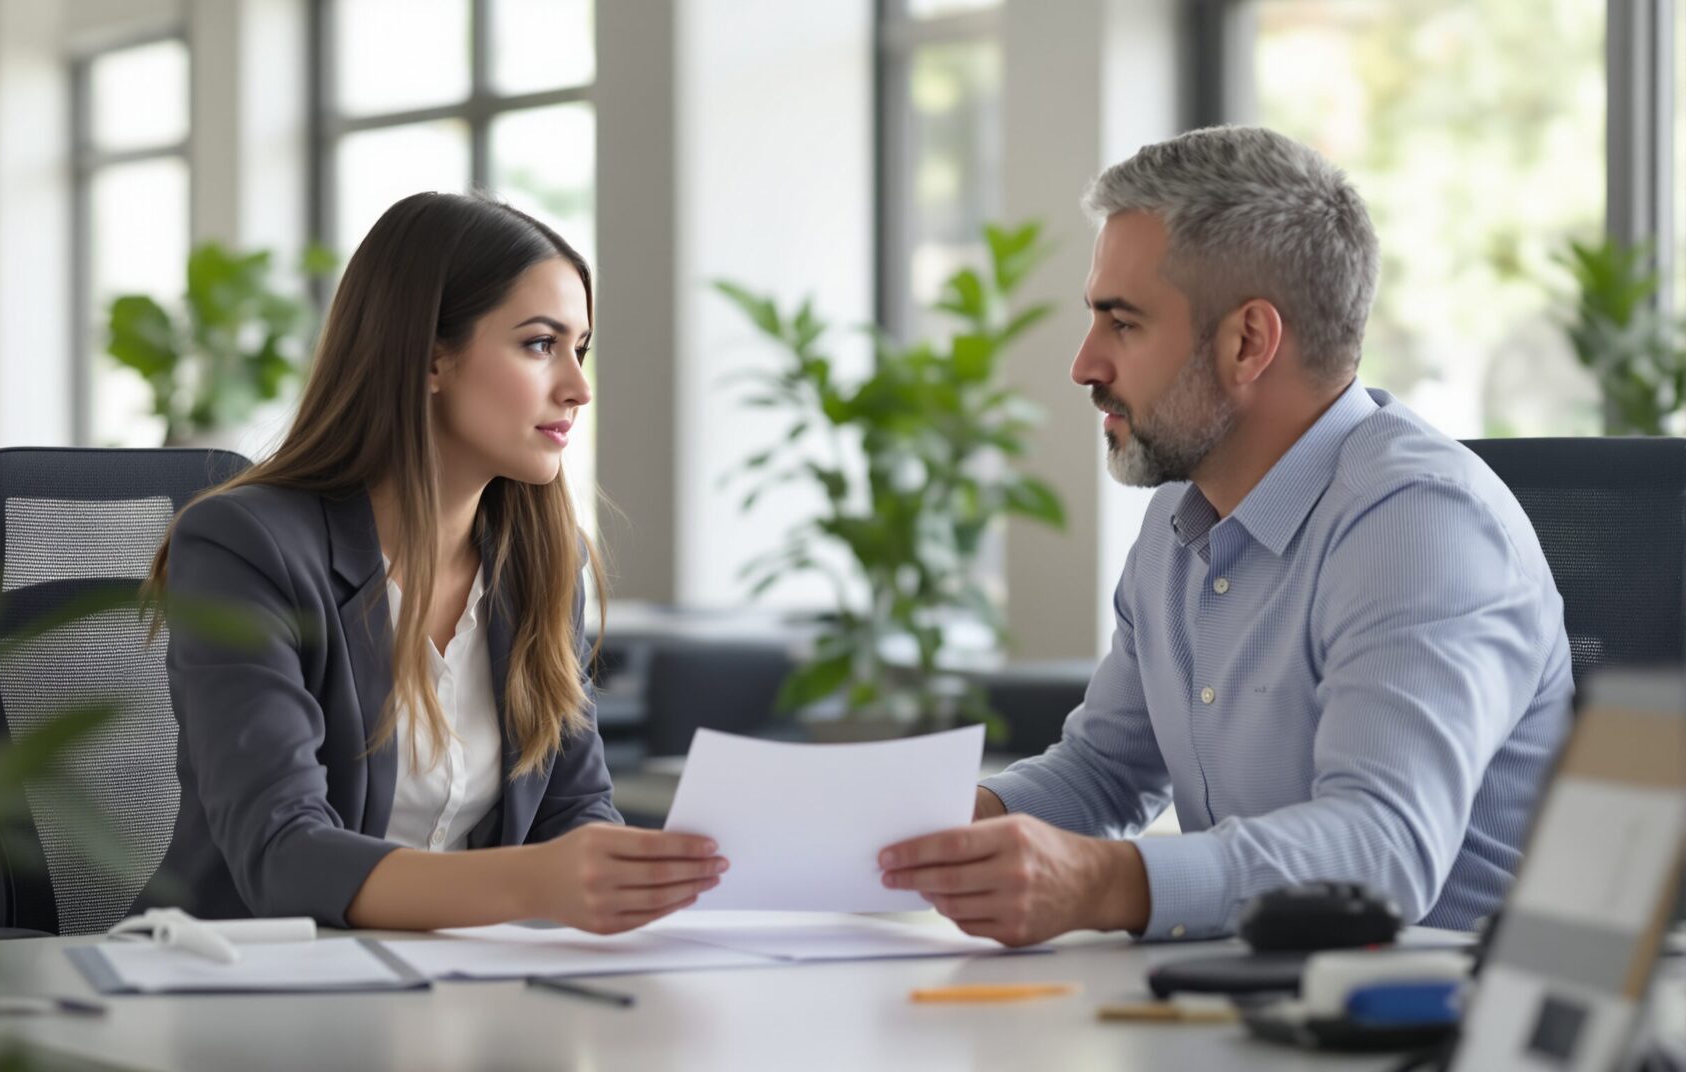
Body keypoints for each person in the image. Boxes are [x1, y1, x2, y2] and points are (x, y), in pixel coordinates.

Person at [878, 126, 1573, 946]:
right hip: (1251, 1002)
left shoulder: (1421, 526)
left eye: (1123, 323)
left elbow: (1383, 851)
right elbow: (1106, 772)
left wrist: (1107, 883)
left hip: (1428, 1026)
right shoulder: (1185, 521)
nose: (1084, 363)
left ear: (1248, 342)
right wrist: (930, 837)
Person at [132, 192, 727, 932]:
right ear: (429, 357)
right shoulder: (244, 546)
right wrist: (531, 886)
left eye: (581, 348)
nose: (578, 387)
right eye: (540, 344)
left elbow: (573, 812)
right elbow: (283, 854)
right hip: (250, 989)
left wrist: (666, 875)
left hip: (459, 987)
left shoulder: (540, 562)